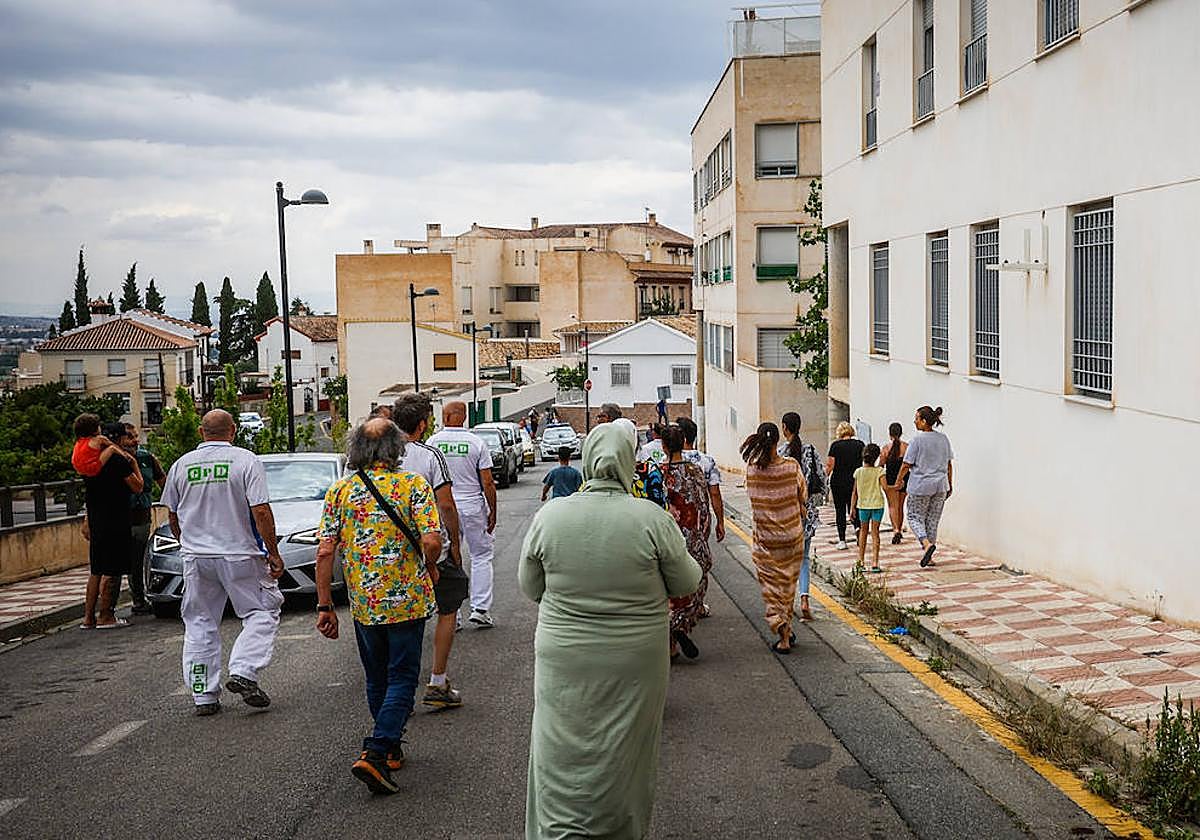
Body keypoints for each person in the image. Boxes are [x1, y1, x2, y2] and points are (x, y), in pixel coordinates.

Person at [519, 422, 700, 839]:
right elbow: (687, 582)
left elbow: (530, 587)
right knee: (625, 752)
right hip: (635, 659)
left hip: (564, 655)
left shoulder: (551, 515)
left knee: (559, 747)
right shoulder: (651, 519)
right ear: (627, 464)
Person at [315, 418, 442, 795]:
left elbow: (324, 551)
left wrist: (324, 606)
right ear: (395, 448)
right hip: (407, 600)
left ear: (356, 450)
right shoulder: (413, 485)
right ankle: (377, 749)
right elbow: (432, 541)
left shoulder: (339, 492)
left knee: (377, 677)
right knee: (403, 676)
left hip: (365, 605)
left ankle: (390, 749)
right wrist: (430, 562)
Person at [160, 409, 283, 716]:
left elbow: (172, 516)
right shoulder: (245, 460)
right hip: (240, 553)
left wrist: (187, 543)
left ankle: (203, 694)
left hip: (197, 557)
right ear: (234, 430)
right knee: (261, 610)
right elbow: (261, 511)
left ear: (202, 433)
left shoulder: (181, 465)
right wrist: (273, 551)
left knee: (200, 621)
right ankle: (243, 668)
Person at [391, 392, 466, 709]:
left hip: (387, 553)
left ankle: (397, 690)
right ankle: (437, 679)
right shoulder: (429, 456)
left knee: (400, 619)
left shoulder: (374, 457)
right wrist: (455, 546)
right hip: (431, 547)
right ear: (422, 424)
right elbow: (446, 506)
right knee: (447, 609)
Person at [428, 401, 498, 627]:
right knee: (481, 555)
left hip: (444, 506)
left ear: (446, 417)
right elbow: (487, 481)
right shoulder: (476, 442)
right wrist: (492, 510)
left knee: (449, 558)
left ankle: (452, 615)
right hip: (472, 505)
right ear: (465, 418)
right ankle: (480, 608)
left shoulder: (433, 443)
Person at [741, 422, 807, 653]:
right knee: (788, 585)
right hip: (792, 536)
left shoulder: (751, 469)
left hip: (766, 540)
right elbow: (803, 495)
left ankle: (782, 630)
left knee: (771, 586)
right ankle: (786, 629)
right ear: (778, 441)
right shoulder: (791, 466)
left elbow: (752, 498)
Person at [79, 422, 143, 629]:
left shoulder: (92, 460)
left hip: (97, 519)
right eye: (127, 437)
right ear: (119, 439)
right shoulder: (117, 459)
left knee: (96, 570)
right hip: (115, 519)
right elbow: (137, 486)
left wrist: (87, 519)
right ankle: (106, 616)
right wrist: (133, 464)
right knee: (112, 570)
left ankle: (88, 618)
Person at [660, 424, 711, 660]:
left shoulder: (660, 473)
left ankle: (670, 638)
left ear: (663, 445)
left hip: (668, 540)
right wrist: (702, 535)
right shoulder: (696, 471)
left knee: (668, 587)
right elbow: (703, 506)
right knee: (690, 586)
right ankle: (679, 627)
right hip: (693, 539)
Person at [895, 406, 954, 568]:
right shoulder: (943, 439)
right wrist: (950, 484)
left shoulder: (917, 441)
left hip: (920, 485)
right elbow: (949, 464)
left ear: (924, 421)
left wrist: (899, 481)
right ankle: (930, 556)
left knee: (914, 516)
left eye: (917, 418)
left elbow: (906, 464)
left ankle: (926, 544)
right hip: (940, 485)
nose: (915, 421)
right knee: (933, 520)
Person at [780, 411, 824, 620]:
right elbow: (821, 478)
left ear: (784, 428)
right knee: (804, 559)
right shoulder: (810, 450)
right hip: (807, 514)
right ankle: (805, 599)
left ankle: (788, 603)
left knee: (788, 560)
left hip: (787, 515)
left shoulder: (781, 453)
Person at [122, 423, 165, 615]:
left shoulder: (147, 458)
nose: (135, 440)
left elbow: (163, 482)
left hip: (142, 516)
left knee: (137, 560)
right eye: (130, 437)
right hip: (120, 517)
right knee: (119, 563)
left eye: (136, 436)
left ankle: (138, 600)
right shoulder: (114, 459)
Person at [826, 421, 865, 550]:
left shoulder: (835, 446)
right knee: (854, 507)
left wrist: (824, 477)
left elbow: (830, 465)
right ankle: (857, 528)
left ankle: (842, 540)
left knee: (840, 510)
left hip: (838, 482)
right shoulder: (860, 445)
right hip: (855, 481)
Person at [851, 443, 886, 572]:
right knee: (875, 533)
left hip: (863, 506)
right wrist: (897, 486)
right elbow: (886, 487)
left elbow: (854, 492)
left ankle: (861, 561)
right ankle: (875, 562)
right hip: (877, 505)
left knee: (863, 532)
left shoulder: (858, 472)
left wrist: (852, 508)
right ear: (876, 457)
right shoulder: (880, 471)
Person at [880, 422, 909, 544]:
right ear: (901, 433)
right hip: (904, 478)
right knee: (900, 506)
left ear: (889, 433)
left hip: (891, 479)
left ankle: (895, 529)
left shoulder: (886, 448)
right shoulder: (907, 447)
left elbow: (881, 465)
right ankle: (900, 529)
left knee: (892, 505)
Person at [71, 412, 124, 478]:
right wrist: (124, 454)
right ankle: (126, 457)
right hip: (92, 468)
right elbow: (113, 446)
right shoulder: (99, 439)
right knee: (112, 448)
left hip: (78, 469)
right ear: (95, 428)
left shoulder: (79, 441)